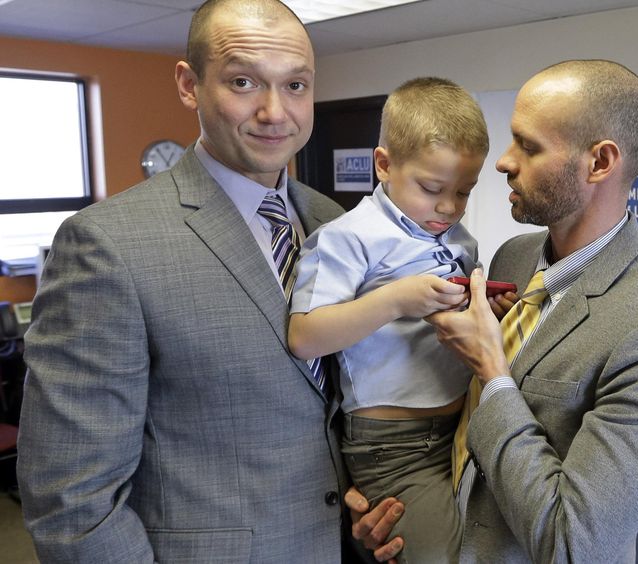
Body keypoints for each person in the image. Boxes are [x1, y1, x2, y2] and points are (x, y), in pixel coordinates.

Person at [15, 0, 387, 561]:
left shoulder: (333, 221)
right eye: (243, 82)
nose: (274, 112)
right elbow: (70, 498)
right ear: (189, 85)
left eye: (295, 85)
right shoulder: (105, 245)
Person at [349, 59, 638, 563]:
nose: (503, 162)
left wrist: (494, 372)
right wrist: (395, 507)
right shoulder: (514, 258)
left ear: (600, 163)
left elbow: (572, 543)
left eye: (528, 145)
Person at [289, 77, 491, 564]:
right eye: (432, 188)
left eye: (464, 191)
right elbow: (305, 336)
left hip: (462, 428)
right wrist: (396, 301)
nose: (448, 207)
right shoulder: (350, 237)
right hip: (393, 445)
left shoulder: (457, 238)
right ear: (384, 165)